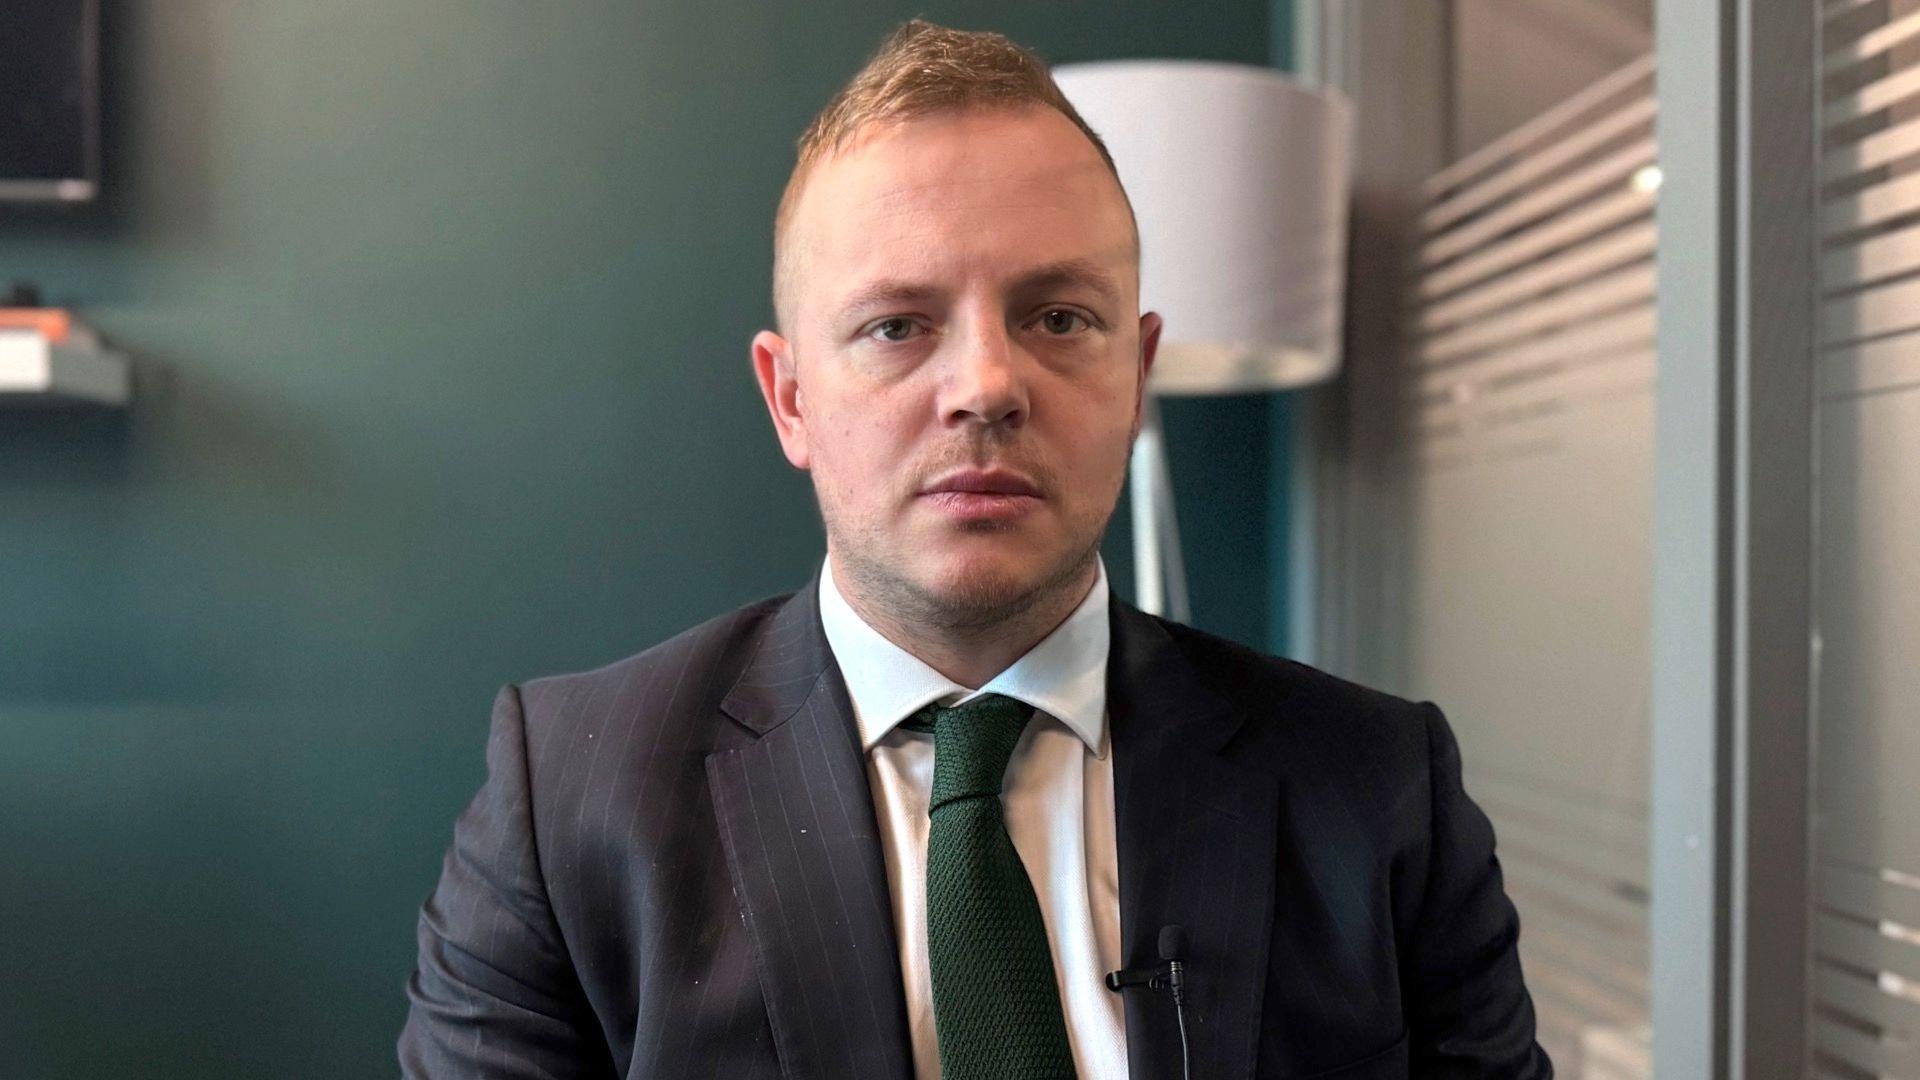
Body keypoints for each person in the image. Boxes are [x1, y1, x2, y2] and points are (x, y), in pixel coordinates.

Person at [398, 18, 1549, 1080]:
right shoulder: (570, 804)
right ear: (789, 398)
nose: (988, 386)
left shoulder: (1380, 791)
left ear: (1138, 373)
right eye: (897, 326)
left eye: (1059, 317)